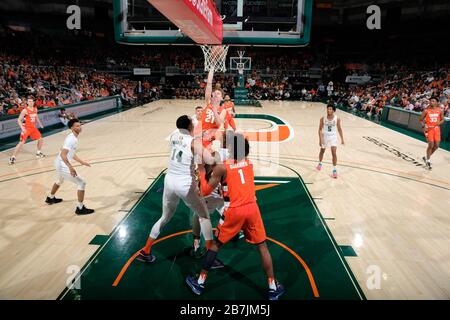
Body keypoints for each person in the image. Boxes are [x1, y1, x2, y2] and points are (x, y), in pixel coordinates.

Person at [186, 133, 285, 300]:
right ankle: (272, 286)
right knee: (262, 246)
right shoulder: (249, 164)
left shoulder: (222, 167)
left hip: (234, 211)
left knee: (216, 244)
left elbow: (204, 191)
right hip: (253, 208)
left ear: (231, 149)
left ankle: (200, 281)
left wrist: (202, 171)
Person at [137, 115, 220, 265]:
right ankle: (210, 258)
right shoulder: (194, 143)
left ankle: (146, 250)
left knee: (164, 217)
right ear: (190, 127)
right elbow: (210, 161)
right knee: (204, 216)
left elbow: (185, 138)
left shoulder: (174, 135)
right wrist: (213, 153)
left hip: (169, 181)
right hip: (185, 184)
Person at [45, 118, 94, 215]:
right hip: (62, 164)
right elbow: (64, 154)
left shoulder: (73, 137)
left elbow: (70, 153)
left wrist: (81, 162)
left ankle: (50, 198)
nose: (80, 127)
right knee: (82, 182)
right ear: (72, 128)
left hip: (58, 162)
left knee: (59, 180)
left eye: (80, 125)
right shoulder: (71, 139)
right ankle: (80, 208)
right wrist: (70, 167)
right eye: (77, 126)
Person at [9, 97, 45, 165]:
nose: (31, 102)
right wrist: (22, 128)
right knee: (21, 143)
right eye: (29, 101)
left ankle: (38, 153)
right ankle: (12, 157)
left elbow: (36, 117)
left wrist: (40, 124)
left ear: (33, 102)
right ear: (27, 102)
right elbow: (19, 120)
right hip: (26, 128)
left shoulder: (35, 109)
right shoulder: (25, 110)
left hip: (33, 128)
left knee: (40, 139)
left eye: (32, 101)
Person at [316, 102, 345, 178]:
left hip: (333, 136)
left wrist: (342, 139)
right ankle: (320, 163)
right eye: (328, 109)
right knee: (322, 151)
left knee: (334, 153)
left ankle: (334, 170)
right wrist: (320, 139)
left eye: (330, 109)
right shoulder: (323, 118)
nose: (328, 110)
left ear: (333, 110)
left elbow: (339, 129)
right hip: (325, 136)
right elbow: (319, 129)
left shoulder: (337, 119)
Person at [420, 96, 444, 170]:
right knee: (431, 145)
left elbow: (442, 120)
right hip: (429, 129)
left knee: (436, 146)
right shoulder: (426, 110)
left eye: (433, 101)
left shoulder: (440, 110)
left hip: (436, 129)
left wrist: (439, 123)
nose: (431, 102)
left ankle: (426, 157)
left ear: (437, 102)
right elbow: (420, 119)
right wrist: (424, 125)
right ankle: (428, 160)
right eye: (431, 101)